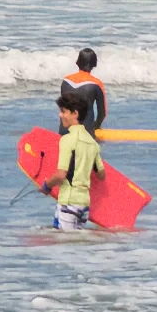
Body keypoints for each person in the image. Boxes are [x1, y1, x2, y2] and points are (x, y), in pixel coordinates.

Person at [39, 93, 107, 230]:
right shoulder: (92, 143)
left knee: (63, 245)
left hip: (68, 202)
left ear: (75, 113)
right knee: (75, 246)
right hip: (84, 204)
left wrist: (47, 186)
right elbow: (101, 174)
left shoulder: (67, 140)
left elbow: (61, 174)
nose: (60, 115)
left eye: (63, 111)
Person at [60, 48, 107, 132]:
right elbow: (102, 114)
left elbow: (62, 110)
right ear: (94, 64)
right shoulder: (96, 84)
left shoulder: (66, 81)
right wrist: (96, 126)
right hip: (86, 134)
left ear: (78, 62)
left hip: (64, 133)